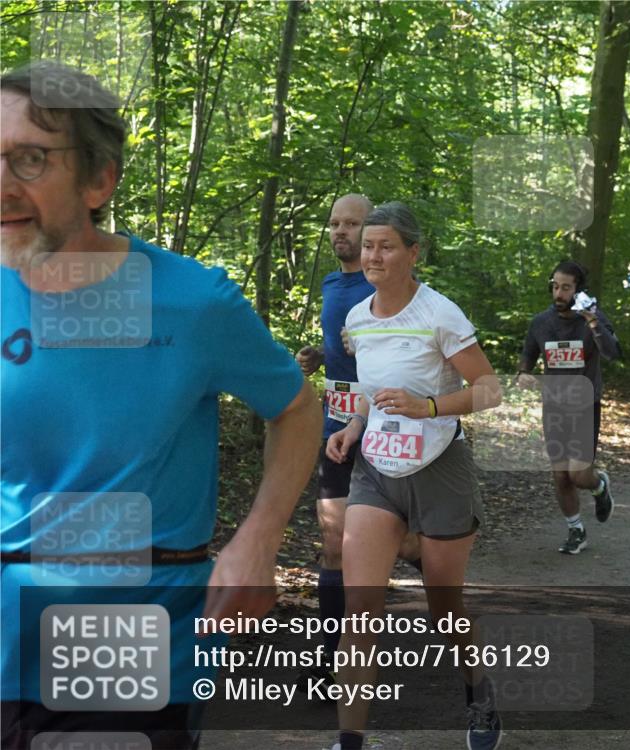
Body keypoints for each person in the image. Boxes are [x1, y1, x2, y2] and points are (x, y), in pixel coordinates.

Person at [0, 62, 321, 748]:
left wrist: (258, 538)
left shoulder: (190, 302)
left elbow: (296, 408)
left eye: (29, 158)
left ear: (99, 180)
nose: (3, 184)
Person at [325, 202, 503, 750]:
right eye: (369, 245)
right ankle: (350, 740)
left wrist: (427, 407)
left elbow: (490, 390)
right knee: (361, 608)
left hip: (439, 467)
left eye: (386, 246)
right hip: (375, 470)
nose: (373, 255)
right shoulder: (356, 319)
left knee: (443, 605)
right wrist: (354, 425)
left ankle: (478, 693)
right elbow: (374, 393)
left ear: (413, 252)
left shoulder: (440, 313)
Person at [294, 194, 420, 682]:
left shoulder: (395, 287)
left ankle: (422, 556)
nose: (341, 232)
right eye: (334, 224)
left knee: (383, 544)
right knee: (333, 542)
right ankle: (331, 663)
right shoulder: (331, 285)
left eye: (352, 224)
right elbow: (350, 352)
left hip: (388, 428)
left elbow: (413, 346)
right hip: (338, 428)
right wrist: (322, 357)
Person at [516, 260, 621, 555]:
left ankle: (599, 485)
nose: (559, 293)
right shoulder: (541, 323)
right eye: (555, 286)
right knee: (560, 474)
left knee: (578, 475)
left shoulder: (593, 319)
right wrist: (524, 372)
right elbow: (529, 353)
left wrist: (593, 322)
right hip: (554, 407)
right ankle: (576, 529)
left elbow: (613, 353)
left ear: (578, 291)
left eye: (566, 288)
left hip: (585, 404)